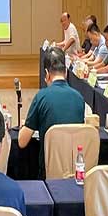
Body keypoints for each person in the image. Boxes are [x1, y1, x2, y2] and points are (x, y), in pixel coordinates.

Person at [19, 46, 84, 177]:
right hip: (75, 172)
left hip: (49, 174)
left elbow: (22, 142)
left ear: (46, 74)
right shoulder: (79, 97)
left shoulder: (41, 96)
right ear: (66, 72)